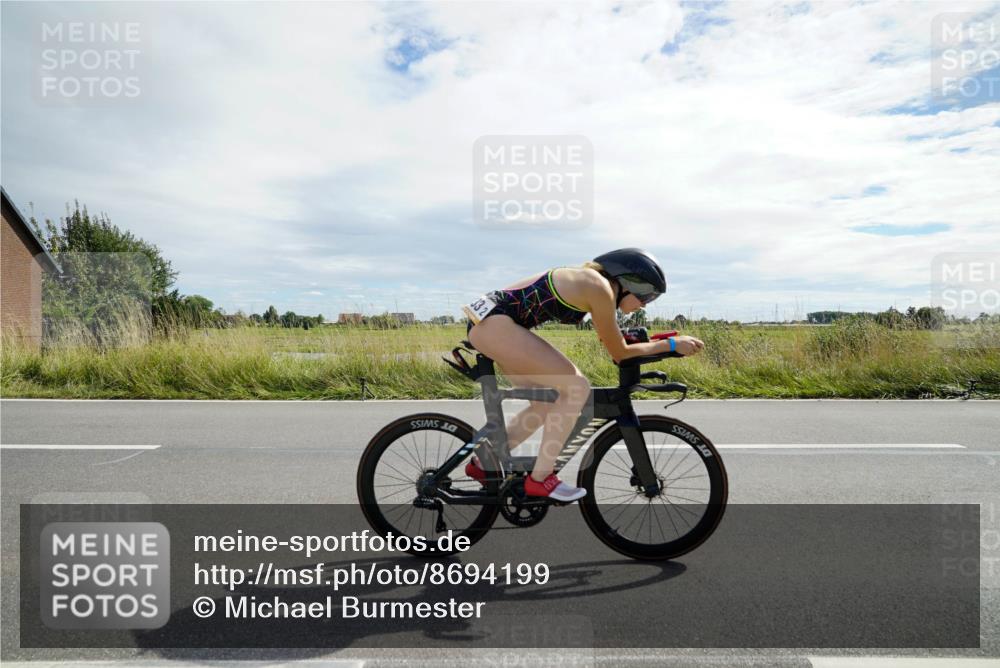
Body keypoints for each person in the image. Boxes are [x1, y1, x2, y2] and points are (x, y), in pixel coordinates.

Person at [462, 248, 705, 502]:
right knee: (576, 387)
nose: (644, 304)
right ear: (628, 282)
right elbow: (620, 353)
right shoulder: (599, 288)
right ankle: (541, 479)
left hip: (492, 323)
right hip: (495, 324)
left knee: (546, 402)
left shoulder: (593, 284)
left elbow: (617, 346)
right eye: (647, 295)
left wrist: (658, 344)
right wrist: (671, 345)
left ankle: (485, 461)